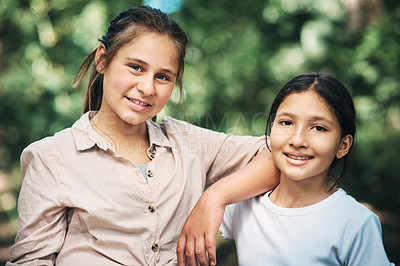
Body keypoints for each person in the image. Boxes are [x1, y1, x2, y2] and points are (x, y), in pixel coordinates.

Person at [6, 5, 279, 266]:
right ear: (102, 59)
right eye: (136, 67)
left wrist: (215, 196)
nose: (147, 88)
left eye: (163, 77)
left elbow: (279, 154)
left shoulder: (189, 144)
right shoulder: (51, 158)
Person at [216, 73, 394, 265]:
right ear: (271, 128)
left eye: (318, 128)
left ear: (343, 145)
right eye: (286, 123)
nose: (297, 140)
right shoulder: (244, 204)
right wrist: (213, 198)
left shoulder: (355, 222)